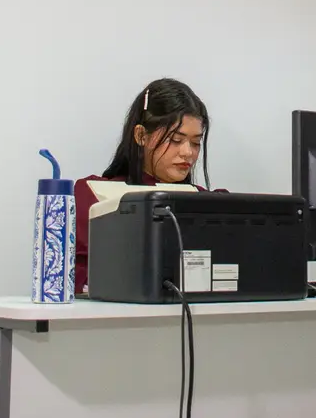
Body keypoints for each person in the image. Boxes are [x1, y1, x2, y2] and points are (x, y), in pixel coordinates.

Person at [72, 78, 215, 295]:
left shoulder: (208, 203)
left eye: (196, 143)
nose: (188, 152)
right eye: (175, 140)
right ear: (140, 135)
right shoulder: (92, 197)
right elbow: (72, 279)